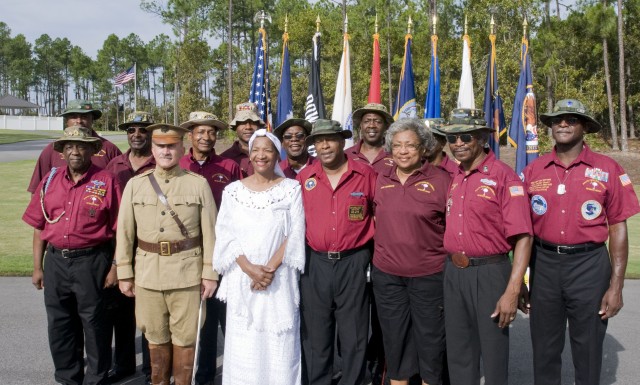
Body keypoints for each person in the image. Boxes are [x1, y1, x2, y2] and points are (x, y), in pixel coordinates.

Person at [523, 99, 640, 385]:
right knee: (544, 348)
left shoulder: (608, 169)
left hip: (589, 265)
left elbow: (618, 228)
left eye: (572, 119)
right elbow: (522, 232)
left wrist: (616, 286)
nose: (563, 123)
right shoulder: (533, 170)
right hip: (545, 265)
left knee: (587, 348)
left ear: (585, 126)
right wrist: (520, 283)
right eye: (557, 119)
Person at [115, 123, 219, 385]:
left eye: (171, 146)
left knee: (185, 338)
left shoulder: (198, 185)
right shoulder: (136, 186)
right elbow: (125, 233)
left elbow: (211, 233)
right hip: (148, 275)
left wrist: (210, 273)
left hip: (187, 275)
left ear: (182, 148)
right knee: (155, 337)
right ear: (153, 149)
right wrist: (125, 272)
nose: (166, 151)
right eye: (161, 146)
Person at [23, 125, 122, 385]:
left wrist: (114, 266)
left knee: (94, 322)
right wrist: (37, 267)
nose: (75, 151)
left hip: (92, 260)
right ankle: (68, 377)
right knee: (60, 323)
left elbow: (120, 229)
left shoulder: (107, 181)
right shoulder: (50, 180)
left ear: (92, 150)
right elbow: (39, 226)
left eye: (81, 146)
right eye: (69, 147)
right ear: (62, 152)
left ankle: (96, 379)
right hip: (55, 261)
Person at [440, 109, 532, 385]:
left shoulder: (504, 177)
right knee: (459, 352)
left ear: (481, 138)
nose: (458, 143)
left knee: (493, 353)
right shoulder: (455, 176)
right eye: (452, 137)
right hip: (454, 273)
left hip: (490, 272)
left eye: (465, 136)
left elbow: (524, 237)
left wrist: (513, 289)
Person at [212, 129, 306, 385]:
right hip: (244, 280)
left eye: (268, 150)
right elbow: (225, 234)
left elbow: (296, 233)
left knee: (280, 346)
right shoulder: (233, 191)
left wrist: (268, 270)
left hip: (279, 280)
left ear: (277, 155)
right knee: (244, 345)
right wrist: (249, 269)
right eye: (256, 149)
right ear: (249, 155)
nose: (261, 155)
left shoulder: (291, 188)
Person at [297, 119, 376, 385]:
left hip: (353, 262)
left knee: (353, 336)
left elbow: (380, 216)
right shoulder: (303, 179)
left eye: (330, 139)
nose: (324, 145)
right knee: (317, 335)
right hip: (315, 264)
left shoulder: (366, 175)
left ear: (343, 141)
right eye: (318, 141)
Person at [372, 119, 450, 385]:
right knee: (395, 342)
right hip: (388, 277)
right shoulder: (380, 178)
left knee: (431, 343)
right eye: (397, 145)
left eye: (410, 145)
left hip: (429, 276)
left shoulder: (442, 180)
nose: (403, 151)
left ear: (424, 148)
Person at [179, 111, 241, 385]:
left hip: (225, 252)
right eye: (200, 132)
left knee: (228, 315)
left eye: (211, 132)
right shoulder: (179, 165)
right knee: (199, 320)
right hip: (190, 253)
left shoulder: (229, 167)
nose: (205, 137)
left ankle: (236, 373)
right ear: (190, 135)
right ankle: (202, 375)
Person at [105, 111, 156, 384]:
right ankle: (123, 365)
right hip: (119, 245)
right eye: (132, 130)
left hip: (149, 245)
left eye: (143, 130)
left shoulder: (159, 163)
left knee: (150, 311)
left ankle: (151, 370)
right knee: (121, 311)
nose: (137, 134)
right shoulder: (114, 165)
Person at [27, 99, 122, 193]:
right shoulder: (52, 150)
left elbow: (119, 188)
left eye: (84, 116)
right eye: (73, 116)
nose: (79, 121)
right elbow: (37, 191)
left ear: (92, 119)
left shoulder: (109, 149)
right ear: (66, 120)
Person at [221, 102, 265, 177]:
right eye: (242, 122)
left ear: (259, 125)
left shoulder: (270, 155)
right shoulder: (224, 159)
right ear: (235, 127)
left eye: (253, 122)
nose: (248, 127)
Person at [348, 103, 395, 174]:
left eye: (377, 122)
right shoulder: (347, 155)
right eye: (367, 121)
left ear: (386, 126)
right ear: (361, 125)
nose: (371, 125)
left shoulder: (396, 153)